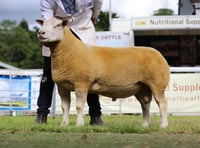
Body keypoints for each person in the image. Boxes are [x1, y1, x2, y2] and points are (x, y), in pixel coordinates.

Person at [35, 0, 104, 126]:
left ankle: (95, 115)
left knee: (89, 73)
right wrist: (52, 30)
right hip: (57, 28)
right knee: (48, 71)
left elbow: (97, 2)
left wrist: (95, 17)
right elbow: (47, 17)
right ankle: (42, 114)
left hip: (82, 27)